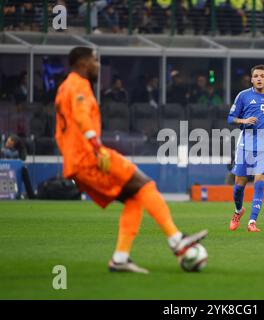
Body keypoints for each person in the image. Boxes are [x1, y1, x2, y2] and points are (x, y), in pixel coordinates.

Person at [54, 47, 207, 273]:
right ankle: (177, 241)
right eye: (96, 61)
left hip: (76, 161)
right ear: (84, 63)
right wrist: (96, 145)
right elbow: (80, 115)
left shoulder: (63, 88)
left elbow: (63, 130)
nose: (98, 65)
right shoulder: (79, 85)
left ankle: (120, 258)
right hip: (89, 157)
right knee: (145, 184)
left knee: (135, 197)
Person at [227, 64, 264, 232]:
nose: (259, 79)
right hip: (245, 144)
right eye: (256, 76)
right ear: (251, 79)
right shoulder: (243, 96)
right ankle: (238, 211)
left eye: (262, 76)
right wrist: (243, 121)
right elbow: (230, 118)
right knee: (239, 184)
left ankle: (252, 222)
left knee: (260, 183)